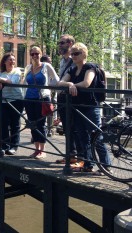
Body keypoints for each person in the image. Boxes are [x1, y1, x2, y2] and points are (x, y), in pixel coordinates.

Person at [57, 42, 110, 173]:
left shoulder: (90, 67)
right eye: (72, 53)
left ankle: (106, 166)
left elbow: (87, 83)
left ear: (84, 53)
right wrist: (70, 84)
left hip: (90, 106)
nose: (73, 56)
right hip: (77, 107)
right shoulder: (72, 69)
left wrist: (73, 85)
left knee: (96, 137)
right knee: (82, 137)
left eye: (76, 53)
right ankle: (88, 164)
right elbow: (60, 82)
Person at [23, 46, 59, 159]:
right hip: (29, 98)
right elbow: (24, 82)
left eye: (37, 54)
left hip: (42, 99)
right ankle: (36, 149)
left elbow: (56, 80)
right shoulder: (28, 67)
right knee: (32, 124)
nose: (35, 56)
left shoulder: (46, 66)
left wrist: (49, 89)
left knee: (41, 125)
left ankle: (42, 151)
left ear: (40, 54)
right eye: (32, 54)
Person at [0, 52, 24, 155]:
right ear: (4, 62)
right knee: (3, 124)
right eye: (10, 60)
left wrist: (0, 80)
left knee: (15, 124)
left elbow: (12, 81)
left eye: (13, 60)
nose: (12, 62)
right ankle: (4, 145)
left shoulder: (17, 71)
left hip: (16, 100)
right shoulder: (0, 71)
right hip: (3, 100)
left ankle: (14, 146)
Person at [56, 34, 81, 164]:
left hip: (70, 99)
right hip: (62, 98)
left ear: (70, 44)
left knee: (73, 127)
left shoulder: (74, 60)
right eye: (59, 43)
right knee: (66, 128)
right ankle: (70, 155)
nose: (59, 45)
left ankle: (76, 156)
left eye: (62, 43)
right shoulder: (62, 61)